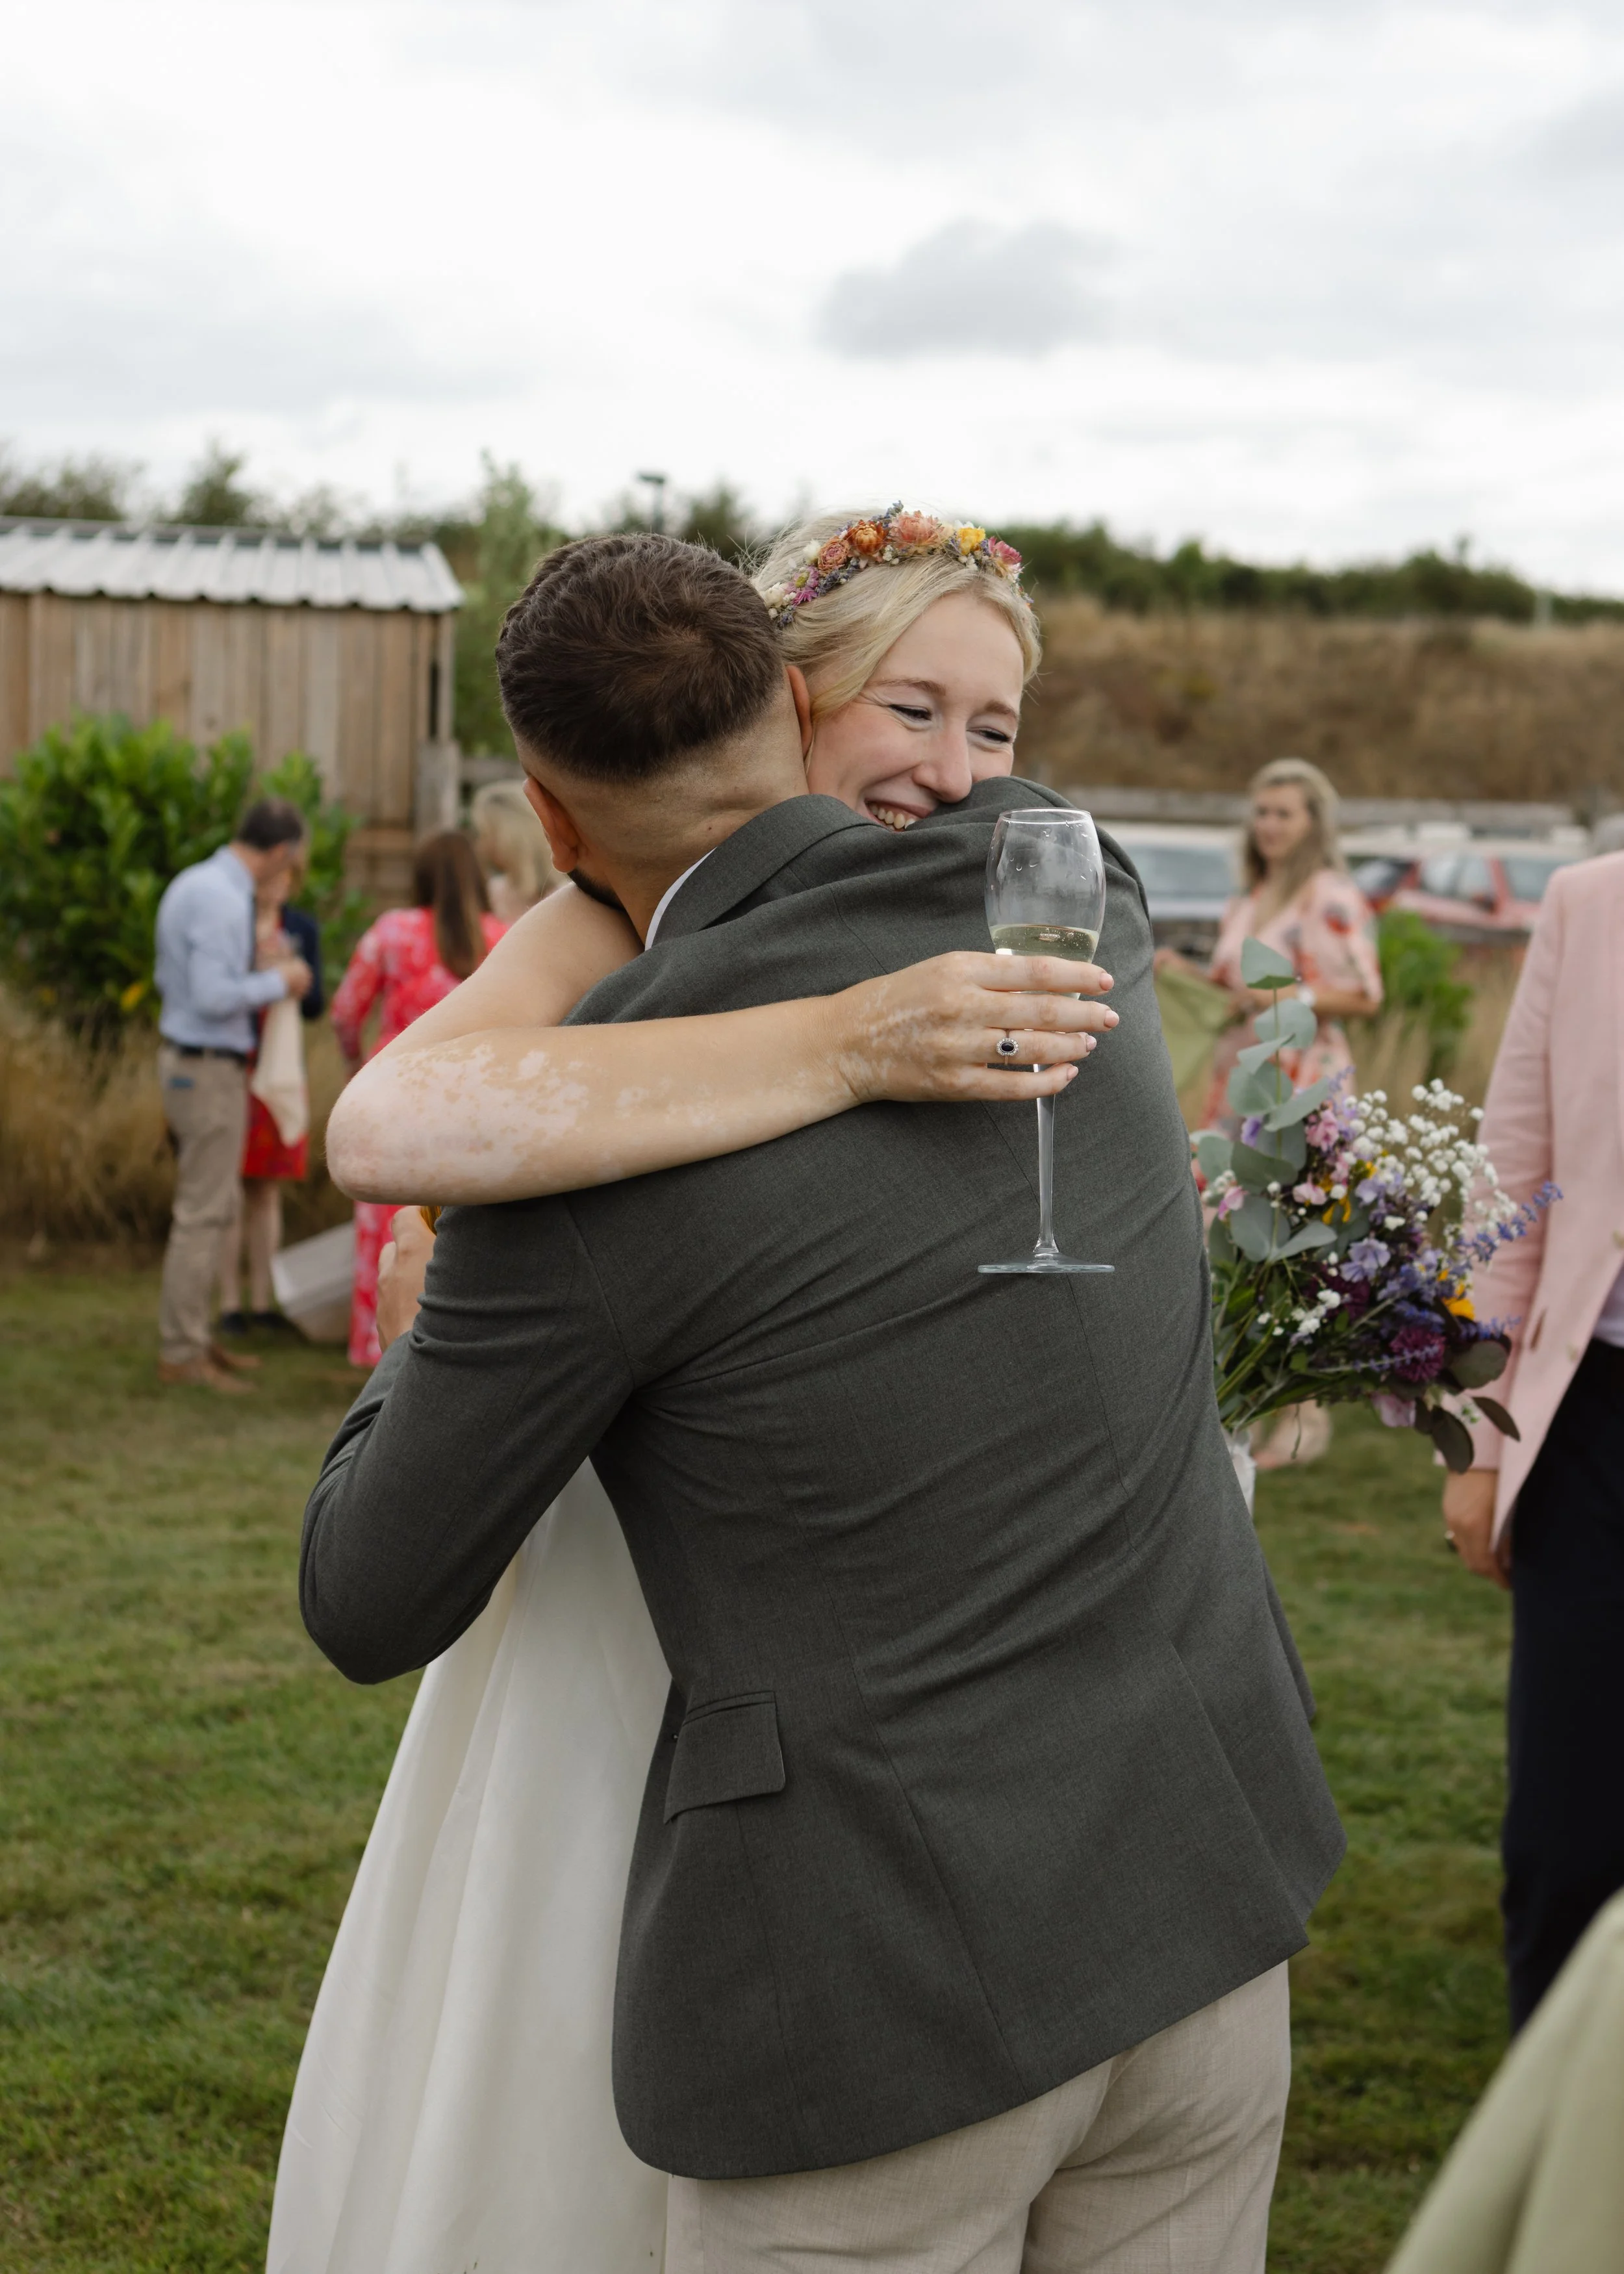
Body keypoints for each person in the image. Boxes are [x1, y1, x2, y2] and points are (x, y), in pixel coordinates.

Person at [291, 528, 1344, 2274]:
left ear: (545, 826)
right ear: (797, 706)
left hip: (890, 2021)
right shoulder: (1068, 900)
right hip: (1201, 1911)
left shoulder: (563, 1163)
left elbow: (368, 1594)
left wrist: (416, 1317)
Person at [1440, 845, 1624, 2031]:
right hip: (1595, 1426)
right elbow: (1509, 1186)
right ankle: (1550, 2167)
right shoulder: (1588, 902)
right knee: (1565, 1836)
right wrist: (1480, 1441)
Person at [1161, 756, 1383, 1469]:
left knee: (1295, 1247)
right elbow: (1236, 991)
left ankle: (1303, 1418)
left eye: (1285, 812)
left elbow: (1363, 994)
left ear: (1314, 821)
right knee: (1231, 1236)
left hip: (1300, 1091)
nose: (1270, 825)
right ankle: (1244, 1396)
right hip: (1237, 1086)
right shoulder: (1247, 897)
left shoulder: (1329, 895)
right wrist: (1186, 974)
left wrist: (1286, 997)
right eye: (1262, 812)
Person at [152, 798, 312, 1392]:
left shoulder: (195, 881)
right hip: (207, 1068)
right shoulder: (223, 899)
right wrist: (281, 980)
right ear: (279, 852)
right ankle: (182, 1353)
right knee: (203, 1214)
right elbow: (212, 995)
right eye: (291, 859)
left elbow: (176, 982)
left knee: (212, 1208)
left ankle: (196, 1338)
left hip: (193, 1062)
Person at [327, 832, 505, 1368]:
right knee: (456, 1224)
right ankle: (448, 1339)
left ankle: (373, 1350)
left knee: (381, 1222)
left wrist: (355, 1057)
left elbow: (344, 1010)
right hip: (466, 1104)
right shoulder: (500, 939)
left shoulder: (392, 933)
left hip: (390, 1097)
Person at [217, 866, 324, 1335]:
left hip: (279, 1068)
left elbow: (317, 1003)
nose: (275, 884)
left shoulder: (302, 928)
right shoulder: (231, 922)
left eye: (284, 876)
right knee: (229, 1188)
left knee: (266, 1188)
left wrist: (294, 980)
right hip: (235, 1065)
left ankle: (263, 1300)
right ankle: (228, 1303)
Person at [470, 776, 559, 921]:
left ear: (507, 837)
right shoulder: (491, 894)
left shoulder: (563, 897)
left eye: (484, 834)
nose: (480, 845)